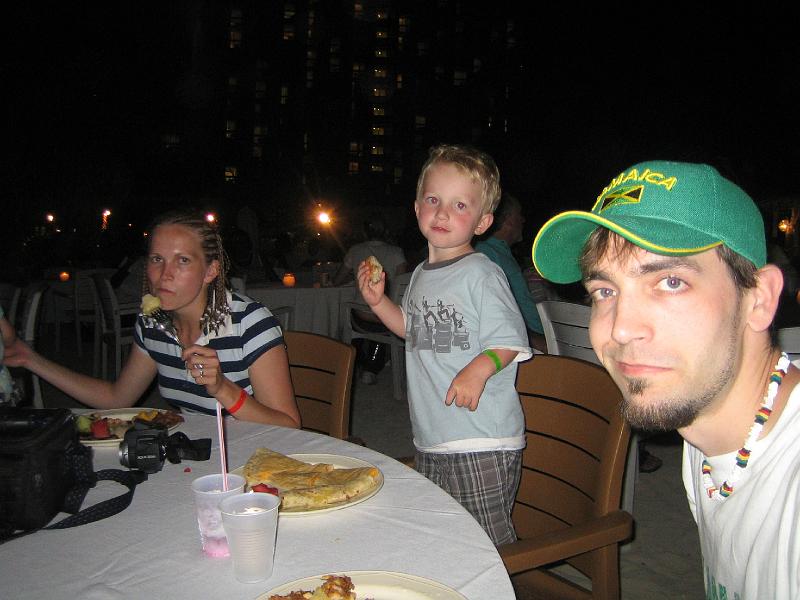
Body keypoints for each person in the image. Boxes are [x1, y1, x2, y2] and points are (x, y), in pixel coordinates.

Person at [531, 160, 800, 598]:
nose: (620, 328)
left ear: (760, 298)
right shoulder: (705, 427)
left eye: (670, 281)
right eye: (604, 291)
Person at [357, 144, 531, 545]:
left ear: (483, 221)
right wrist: (379, 302)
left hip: (482, 437)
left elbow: (509, 340)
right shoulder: (420, 274)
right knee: (446, 537)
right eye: (433, 199)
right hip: (433, 435)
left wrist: (478, 368)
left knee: (487, 540)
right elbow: (412, 330)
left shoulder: (481, 274)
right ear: (417, 206)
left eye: (459, 205)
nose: (442, 212)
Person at [4, 210, 301, 427]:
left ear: (210, 271)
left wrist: (223, 389)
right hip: (197, 456)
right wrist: (30, 359)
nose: (165, 274)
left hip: (254, 456)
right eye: (157, 259)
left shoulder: (250, 324)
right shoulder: (153, 324)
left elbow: (288, 426)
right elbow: (116, 398)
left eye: (182, 260)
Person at [334, 214, 407, 384]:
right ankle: (371, 366)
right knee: (383, 315)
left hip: (364, 315)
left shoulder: (355, 250)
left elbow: (338, 280)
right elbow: (402, 282)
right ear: (386, 232)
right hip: (389, 314)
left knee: (355, 311)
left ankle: (367, 366)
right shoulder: (396, 252)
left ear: (365, 233)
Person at [475, 193, 546, 351]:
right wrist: (529, 339)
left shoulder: (500, 252)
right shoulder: (484, 254)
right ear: (506, 220)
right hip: (528, 342)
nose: (523, 220)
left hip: (540, 335)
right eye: (519, 214)